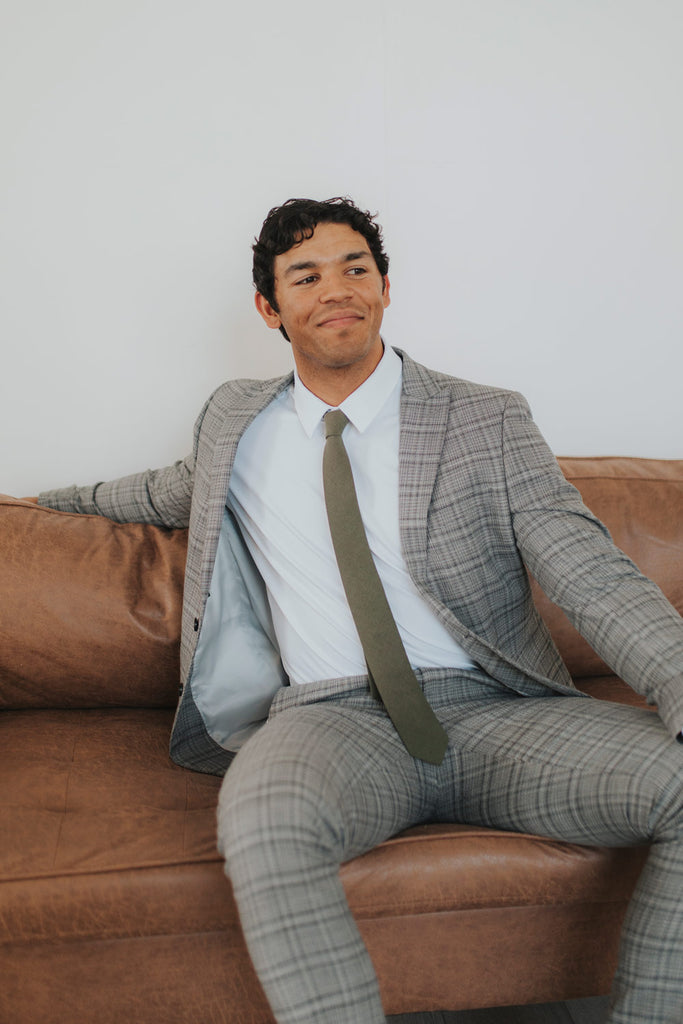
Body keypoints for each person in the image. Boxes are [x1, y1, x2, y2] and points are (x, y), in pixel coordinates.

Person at [37, 197, 682, 1024]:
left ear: (384, 287)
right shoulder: (235, 420)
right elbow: (165, 494)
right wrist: (43, 503)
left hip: (490, 713)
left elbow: (591, 571)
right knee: (266, 821)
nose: (336, 289)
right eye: (305, 276)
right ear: (271, 308)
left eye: (355, 268)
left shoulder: (486, 418)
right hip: (330, 720)